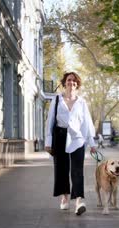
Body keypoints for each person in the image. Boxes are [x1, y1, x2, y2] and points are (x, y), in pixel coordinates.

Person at [45, 72, 97, 215]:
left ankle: (79, 201)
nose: (71, 83)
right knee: (61, 169)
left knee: (77, 170)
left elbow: (87, 123)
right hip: (60, 137)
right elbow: (50, 121)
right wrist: (48, 142)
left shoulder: (82, 102)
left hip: (77, 138)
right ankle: (65, 198)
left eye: (74, 81)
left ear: (77, 84)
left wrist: (92, 143)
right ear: (64, 82)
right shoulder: (56, 100)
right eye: (69, 80)